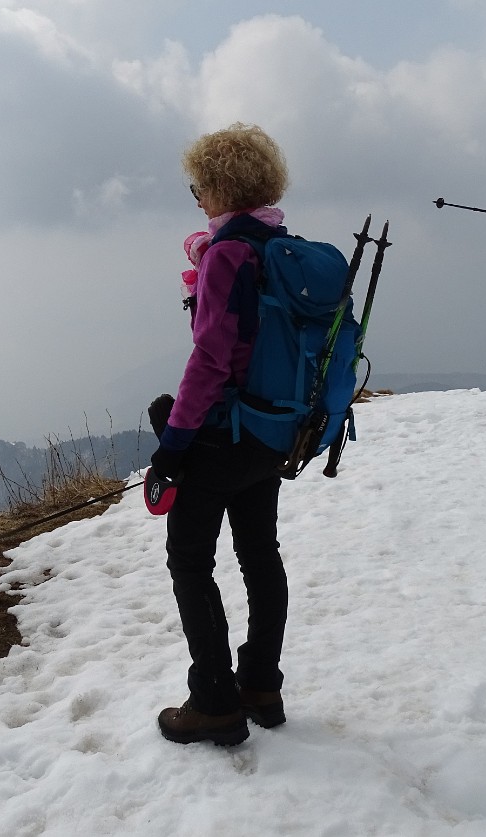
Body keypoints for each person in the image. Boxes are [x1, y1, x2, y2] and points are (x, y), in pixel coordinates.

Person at [147, 122, 292, 746]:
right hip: (273, 432)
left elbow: (210, 359)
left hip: (223, 435)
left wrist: (173, 444)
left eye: (198, 186)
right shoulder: (281, 245)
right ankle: (260, 683)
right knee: (260, 554)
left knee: (189, 562)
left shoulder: (227, 254)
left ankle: (214, 701)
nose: (197, 197)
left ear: (220, 186)